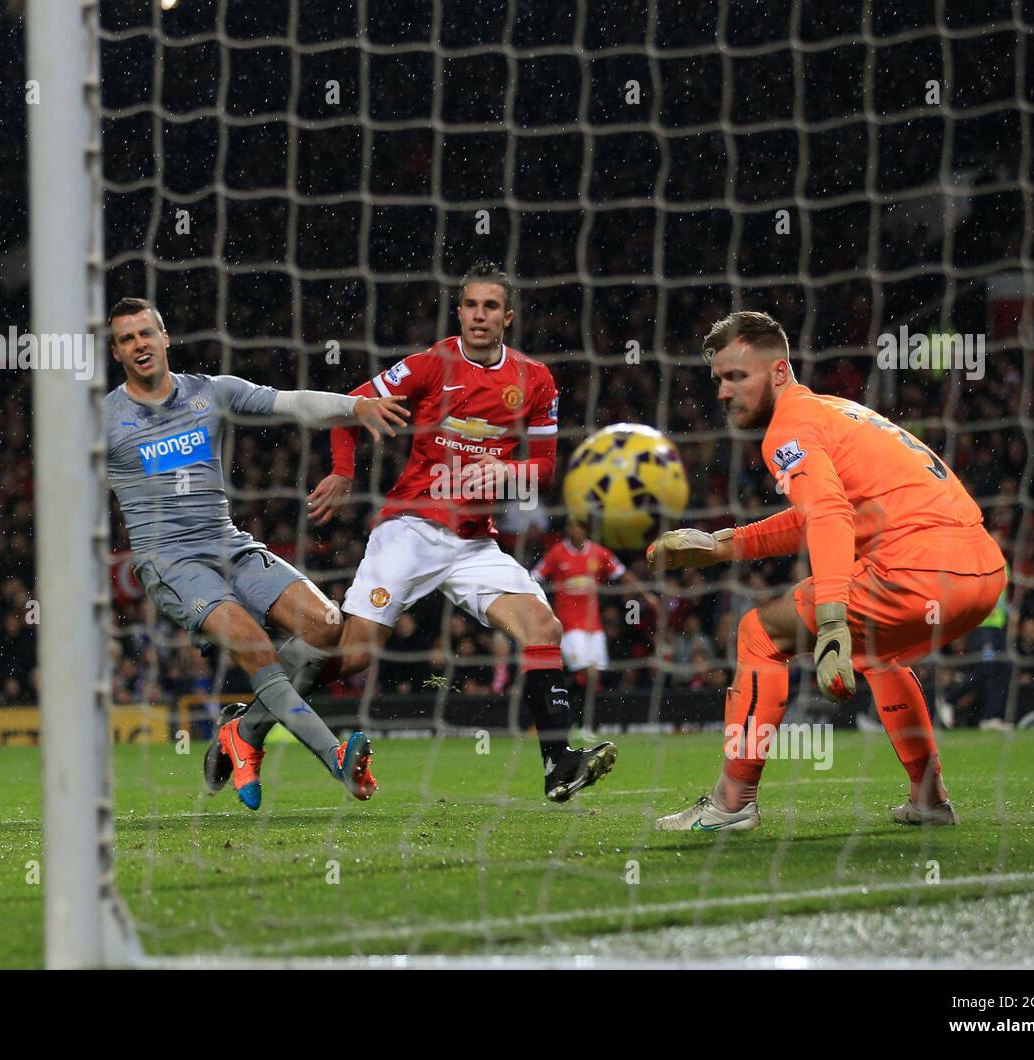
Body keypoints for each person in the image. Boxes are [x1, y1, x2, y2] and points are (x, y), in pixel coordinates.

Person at [649, 311, 1006, 831]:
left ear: (777, 371)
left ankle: (732, 803)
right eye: (719, 380)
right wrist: (725, 545)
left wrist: (832, 618)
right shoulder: (835, 411)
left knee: (758, 632)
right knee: (877, 654)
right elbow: (820, 513)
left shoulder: (788, 429)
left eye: (737, 376)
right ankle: (929, 799)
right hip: (983, 572)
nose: (724, 393)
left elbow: (829, 516)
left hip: (916, 568)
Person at [306, 263, 617, 802]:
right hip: (410, 528)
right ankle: (257, 713)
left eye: (491, 307)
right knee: (354, 656)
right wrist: (343, 471)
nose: (480, 315)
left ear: (507, 316)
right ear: (460, 312)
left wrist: (508, 472)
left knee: (543, 628)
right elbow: (347, 409)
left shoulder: (535, 380)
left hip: (473, 541)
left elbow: (543, 470)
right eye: (471, 305)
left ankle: (559, 763)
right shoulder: (431, 365)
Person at [104, 297, 408, 810]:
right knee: (255, 647)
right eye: (127, 338)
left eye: (146, 333)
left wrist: (356, 406)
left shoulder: (211, 393)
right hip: (172, 562)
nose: (140, 345)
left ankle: (242, 734)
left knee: (327, 625)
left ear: (164, 338)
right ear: (116, 352)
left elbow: (294, 403)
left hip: (228, 543)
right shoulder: (104, 419)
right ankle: (336, 757)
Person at [531, 518, 660, 690]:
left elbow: (623, 574)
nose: (574, 530)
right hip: (569, 625)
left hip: (594, 626)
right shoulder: (556, 554)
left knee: (595, 674)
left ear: (586, 530)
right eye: (571, 526)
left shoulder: (599, 553)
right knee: (588, 672)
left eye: (578, 526)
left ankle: (576, 704)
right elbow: (534, 577)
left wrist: (647, 595)